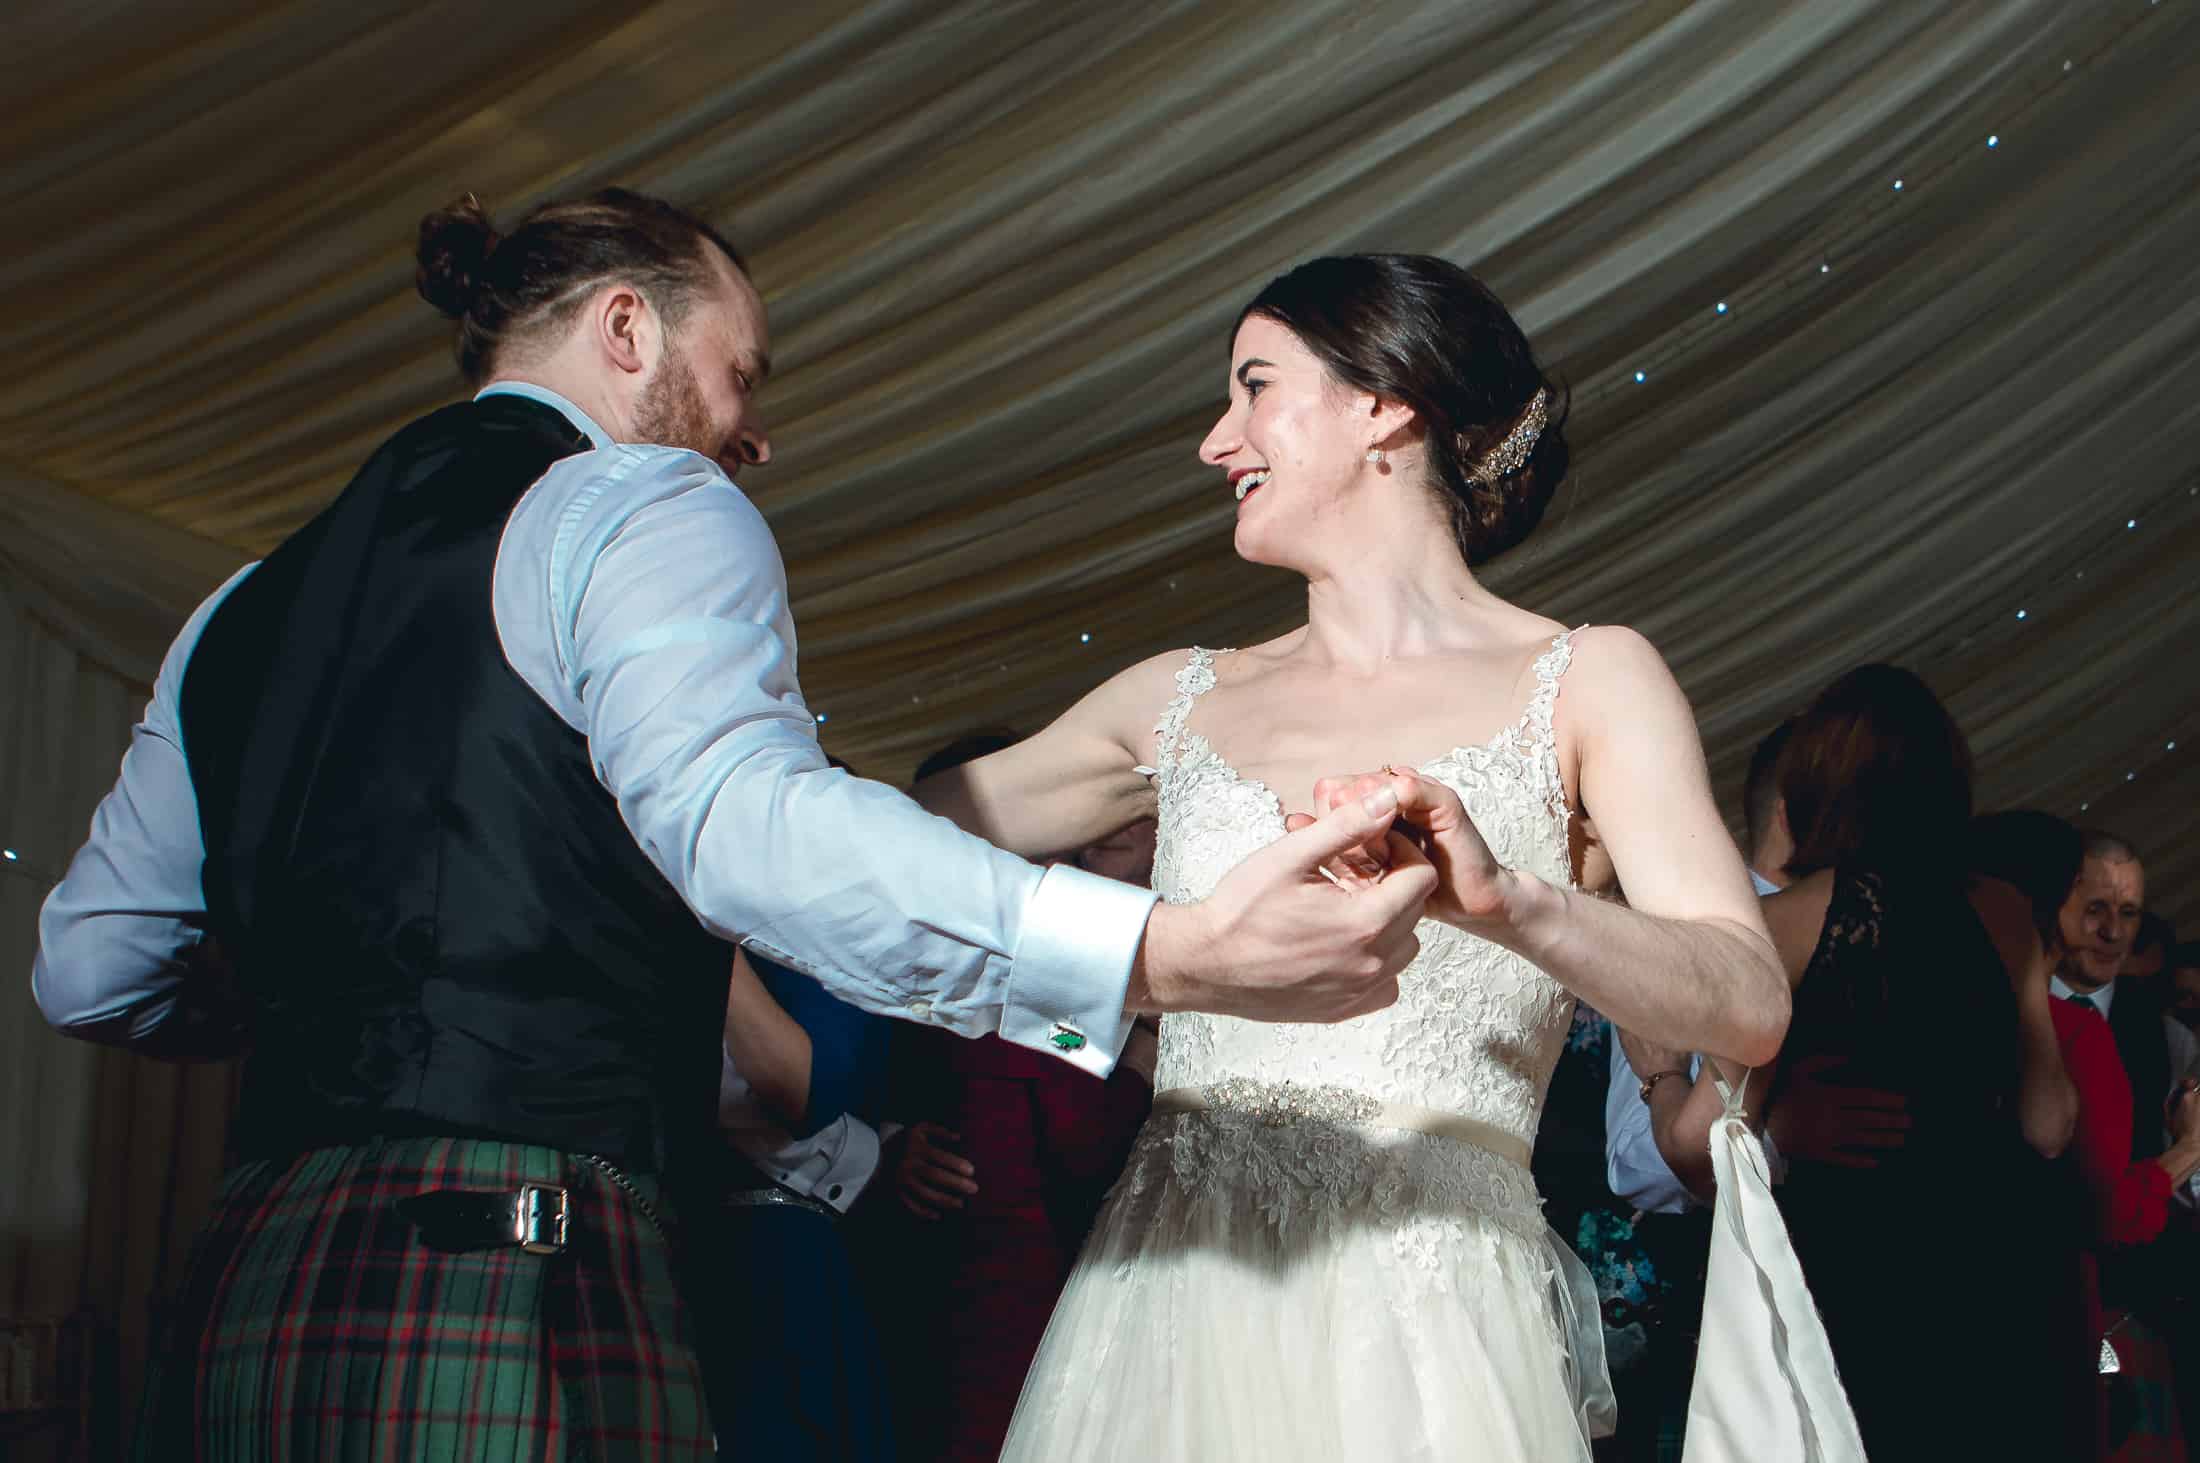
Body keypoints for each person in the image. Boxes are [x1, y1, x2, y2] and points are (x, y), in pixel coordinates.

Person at [27, 191, 1442, 1459]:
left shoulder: (242, 603)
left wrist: (348, 998)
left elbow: (93, 962)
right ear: (629, 329)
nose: (750, 430)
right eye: (739, 372)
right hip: (517, 1256)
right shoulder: (635, 500)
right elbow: (744, 829)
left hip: (254, 1270)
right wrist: (1165, 950)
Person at [914, 254, 1791, 1461]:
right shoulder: (1172, 698)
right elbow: (893, 848)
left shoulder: (1588, 679)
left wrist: (1511, 903)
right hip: (1173, 1300)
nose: (1217, 442)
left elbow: (1745, 1001)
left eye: (1253, 387)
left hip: (1432, 1329)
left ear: (1384, 404)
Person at [1628, 665, 2074, 1460]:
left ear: (1812, 786)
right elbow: (2048, 1123)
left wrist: (1658, 1072)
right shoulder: (2005, 911)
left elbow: (1700, 1151)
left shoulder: (1784, 924)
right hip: (2002, 1277)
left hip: (1861, 1278)